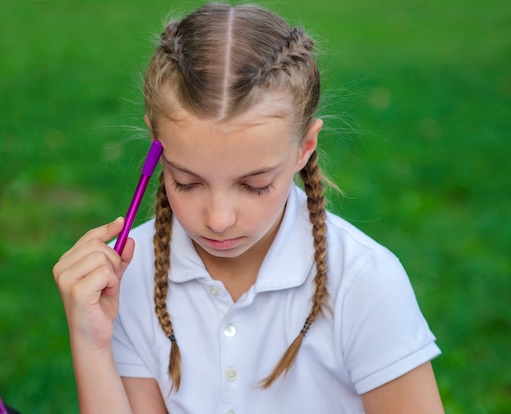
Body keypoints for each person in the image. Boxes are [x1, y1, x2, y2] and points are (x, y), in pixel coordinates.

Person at [53, 3, 444, 413]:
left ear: (304, 149)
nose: (219, 220)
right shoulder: (127, 274)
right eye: (186, 182)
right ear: (156, 145)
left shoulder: (362, 281)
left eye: (255, 185)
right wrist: (91, 342)